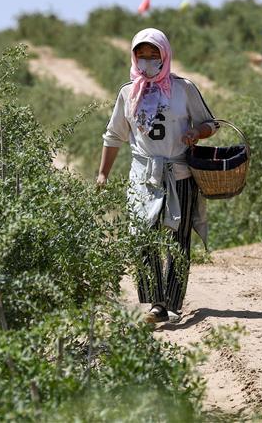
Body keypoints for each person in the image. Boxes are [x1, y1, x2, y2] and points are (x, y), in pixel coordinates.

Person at [97, 28, 220, 324]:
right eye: (142, 55)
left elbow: (211, 123)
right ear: (134, 56)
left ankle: (173, 301)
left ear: (165, 56)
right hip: (143, 176)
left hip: (179, 173)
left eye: (154, 55)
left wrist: (196, 132)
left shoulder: (183, 88)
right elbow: (114, 135)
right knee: (142, 237)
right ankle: (156, 303)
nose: (148, 61)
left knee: (179, 240)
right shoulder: (128, 93)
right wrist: (103, 174)